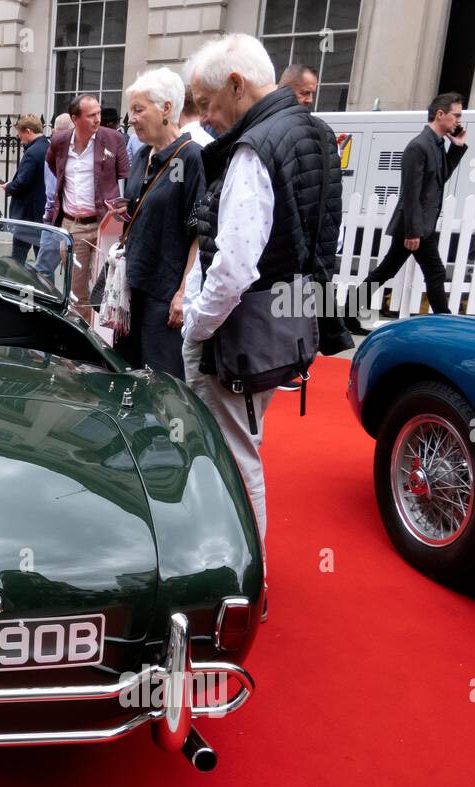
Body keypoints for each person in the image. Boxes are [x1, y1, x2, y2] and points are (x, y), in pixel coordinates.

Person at [181, 33, 342, 590]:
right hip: (286, 322)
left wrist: (197, 326)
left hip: (243, 328)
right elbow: (319, 241)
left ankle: (247, 579)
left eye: (206, 105)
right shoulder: (314, 132)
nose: (205, 119)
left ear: (235, 84)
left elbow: (234, 267)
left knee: (234, 456)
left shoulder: (254, 148)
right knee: (243, 447)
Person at [111, 68, 206, 378]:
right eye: (131, 111)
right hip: (131, 288)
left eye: (139, 110)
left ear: (166, 108)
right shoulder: (141, 157)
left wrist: (182, 293)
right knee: (126, 374)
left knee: (160, 383)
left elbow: (199, 232)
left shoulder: (191, 158)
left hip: (162, 298)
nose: (132, 119)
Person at [351, 92, 467, 329]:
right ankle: (446, 323)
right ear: (440, 114)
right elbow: (410, 193)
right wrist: (413, 231)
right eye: (456, 115)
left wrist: (457, 147)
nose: (458, 121)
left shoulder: (435, 144)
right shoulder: (418, 146)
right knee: (434, 273)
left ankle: (346, 314)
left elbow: (441, 176)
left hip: (420, 224)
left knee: (386, 271)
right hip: (414, 226)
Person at [46, 94, 131, 323]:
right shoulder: (60, 141)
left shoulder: (113, 139)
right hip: (73, 225)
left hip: (106, 224)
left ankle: (104, 342)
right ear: (75, 118)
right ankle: (81, 343)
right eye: (91, 115)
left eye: (99, 113)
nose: (97, 119)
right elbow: (54, 167)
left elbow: (125, 174)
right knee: (75, 292)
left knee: (107, 287)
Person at [4, 115, 50, 263]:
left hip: (28, 214)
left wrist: (9, 186)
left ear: (28, 131)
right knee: (42, 261)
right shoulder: (48, 146)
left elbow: (21, 183)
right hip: (42, 212)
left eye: (19, 133)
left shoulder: (32, 152)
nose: (19, 137)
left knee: (18, 259)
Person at [34, 112, 73, 280]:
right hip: (71, 216)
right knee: (73, 269)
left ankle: (49, 303)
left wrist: (48, 216)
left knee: (43, 268)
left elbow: (51, 193)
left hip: (56, 218)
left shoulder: (55, 152)